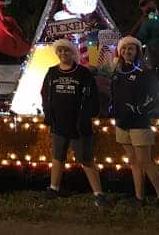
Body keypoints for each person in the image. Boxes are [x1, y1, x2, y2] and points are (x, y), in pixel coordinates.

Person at [41, 38, 110, 208]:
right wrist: (48, 112)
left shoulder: (83, 73)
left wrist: (88, 115)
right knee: (57, 157)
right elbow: (44, 94)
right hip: (58, 124)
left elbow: (93, 98)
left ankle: (98, 194)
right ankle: (54, 188)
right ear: (57, 53)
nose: (63, 54)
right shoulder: (51, 72)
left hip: (79, 125)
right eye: (60, 51)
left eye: (67, 51)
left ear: (73, 53)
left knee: (85, 159)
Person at [111, 36, 159, 206]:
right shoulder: (118, 71)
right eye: (124, 48)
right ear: (120, 51)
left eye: (131, 48)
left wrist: (140, 109)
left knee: (145, 162)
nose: (127, 51)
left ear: (137, 51)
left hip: (139, 123)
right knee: (134, 162)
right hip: (122, 124)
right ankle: (139, 197)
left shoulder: (145, 72)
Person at [136, 0, 159, 104]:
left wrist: (135, 41)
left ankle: (156, 97)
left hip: (153, 49)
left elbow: (142, 35)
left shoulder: (148, 21)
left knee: (152, 75)